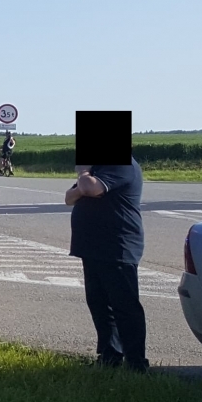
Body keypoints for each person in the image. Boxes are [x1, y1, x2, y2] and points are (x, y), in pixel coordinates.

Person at [66, 159, 147, 371]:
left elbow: (89, 188)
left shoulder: (121, 165)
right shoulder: (97, 169)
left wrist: (84, 176)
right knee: (99, 303)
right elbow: (69, 197)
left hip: (117, 247)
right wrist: (86, 185)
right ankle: (110, 356)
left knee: (125, 307)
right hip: (92, 247)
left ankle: (136, 363)